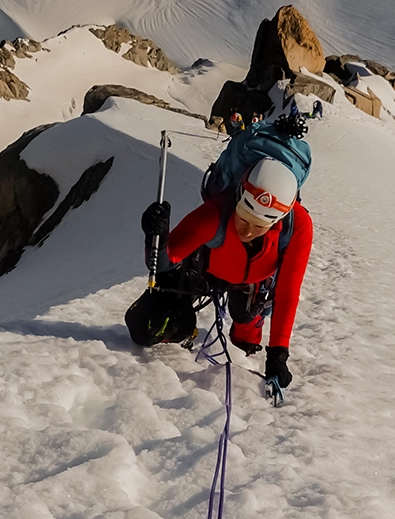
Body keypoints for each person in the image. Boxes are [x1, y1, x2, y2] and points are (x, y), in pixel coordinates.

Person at [128, 157, 313, 391]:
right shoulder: (216, 212)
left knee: (245, 339)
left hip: (254, 283)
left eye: (259, 226)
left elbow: (287, 292)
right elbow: (163, 264)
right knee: (147, 327)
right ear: (238, 198)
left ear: (278, 220)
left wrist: (278, 355)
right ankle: (186, 328)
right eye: (244, 218)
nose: (247, 230)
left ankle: (247, 327)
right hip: (204, 273)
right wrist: (157, 238)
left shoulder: (297, 226)